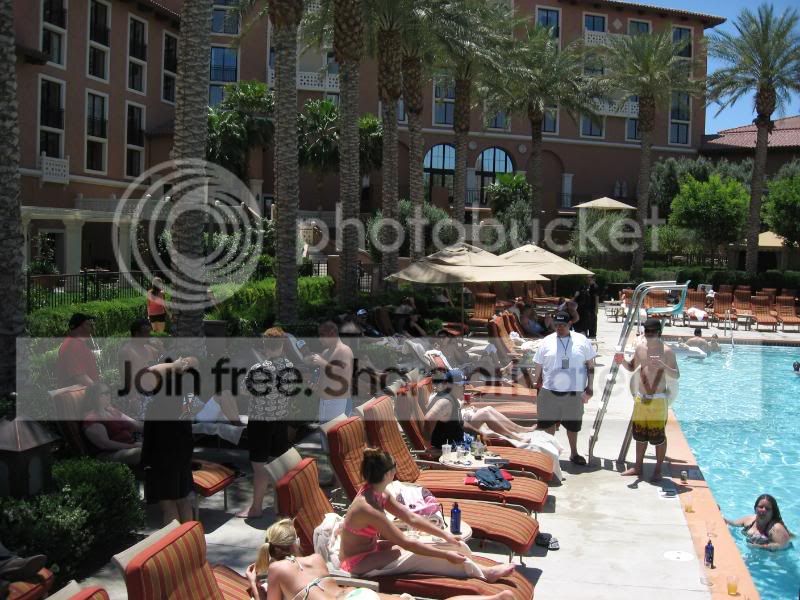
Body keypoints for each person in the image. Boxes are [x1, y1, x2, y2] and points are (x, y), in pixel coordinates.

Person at [338, 449, 515, 581]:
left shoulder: (379, 492)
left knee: (445, 544)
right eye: (394, 467)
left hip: (371, 550)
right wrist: (445, 555)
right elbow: (407, 543)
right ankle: (485, 573)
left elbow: (411, 517)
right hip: (356, 562)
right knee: (419, 555)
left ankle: (476, 567)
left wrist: (444, 535)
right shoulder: (368, 508)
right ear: (387, 474)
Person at [246, 519, 513, 600]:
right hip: (357, 594)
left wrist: (254, 585)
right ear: (295, 543)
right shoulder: (315, 558)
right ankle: (493, 599)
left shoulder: (277, 569)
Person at [238, 327, 297, 519]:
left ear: (265, 344)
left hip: (260, 422)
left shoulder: (259, 369)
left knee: (259, 467)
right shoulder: (289, 366)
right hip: (280, 420)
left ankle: (256, 508)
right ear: (282, 345)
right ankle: (280, 506)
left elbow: (244, 391)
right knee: (279, 465)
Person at [615, 318, 679, 481]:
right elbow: (632, 366)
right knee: (640, 435)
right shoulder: (640, 348)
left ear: (659, 333)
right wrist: (622, 361)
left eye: (653, 332)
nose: (649, 335)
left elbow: (676, 375)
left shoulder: (667, 352)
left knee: (659, 438)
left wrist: (663, 366)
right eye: (647, 332)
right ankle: (638, 467)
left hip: (657, 400)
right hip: (641, 399)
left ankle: (658, 470)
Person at [140, 356, 200, 525]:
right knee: (183, 500)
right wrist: (176, 366)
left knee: (168, 505)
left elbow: (149, 436)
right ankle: (189, 537)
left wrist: (145, 461)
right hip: (182, 455)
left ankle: (175, 538)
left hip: (162, 459)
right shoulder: (186, 402)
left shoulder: (155, 406)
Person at [532, 311, 596, 466]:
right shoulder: (546, 341)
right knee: (548, 424)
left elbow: (590, 365)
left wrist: (590, 387)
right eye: (557, 325)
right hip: (549, 389)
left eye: (563, 325)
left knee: (573, 425)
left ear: (570, 324)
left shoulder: (581, 340)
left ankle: (574, 453)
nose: (559, 328)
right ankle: (550, 455)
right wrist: (535, 383)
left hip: (574, 390)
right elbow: (538, 364)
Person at [423, 370, 535, 450]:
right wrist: (429, 446)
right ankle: (514, 438)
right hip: (452, 447)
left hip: (457, 440)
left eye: (464, 385)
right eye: (460, 386)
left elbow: (460, 423)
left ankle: (514, 435)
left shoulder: (451, 398)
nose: (464, 388)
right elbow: (428, 419)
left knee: (487, 435)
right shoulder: (445, 401)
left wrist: (478, 433)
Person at [82, 381, 143, 465]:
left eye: (109, 392)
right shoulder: (92, 418)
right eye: (105, 393)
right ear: (94, 397)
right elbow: (105, 444)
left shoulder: (112, 411)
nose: (109, 396)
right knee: (141, 452)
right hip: (109, 453)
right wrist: (133, 446)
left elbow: (135, 424)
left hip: (128, 446)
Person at [311, 322, 354, 422]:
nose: (320, 339)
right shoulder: (325, 352)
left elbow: (343, 373)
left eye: (322, 335)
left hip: (339, 402)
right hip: (324, 403)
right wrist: (316, 386)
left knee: (337, 431)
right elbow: (323, 376)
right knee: (325, 431)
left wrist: (323, 363)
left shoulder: (345, 350)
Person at [118, 318, 160, 416]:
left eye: (149, 332)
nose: (149, 335)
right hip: (137, 396)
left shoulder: (150, 349)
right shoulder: (126, 351)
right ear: (137, 334)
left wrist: (160, 346)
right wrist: (132, 398)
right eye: (146, 332)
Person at [724, 494, 794, 551]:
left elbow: (783, 545)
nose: (763, 510)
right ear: (755, 508)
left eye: (767, 509)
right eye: (761, 507)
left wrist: (761, 546)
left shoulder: (776, 528)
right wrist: (724, 519)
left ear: (773, 512)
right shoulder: (750, 519)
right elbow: (733, 523)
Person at [56, 313, 100, 388]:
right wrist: (97, 389)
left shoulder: (76, 343)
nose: (92, 328)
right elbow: (80, 376)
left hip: (86, 391)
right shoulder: (73, 344)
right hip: (81, 393)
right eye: (88, 325)